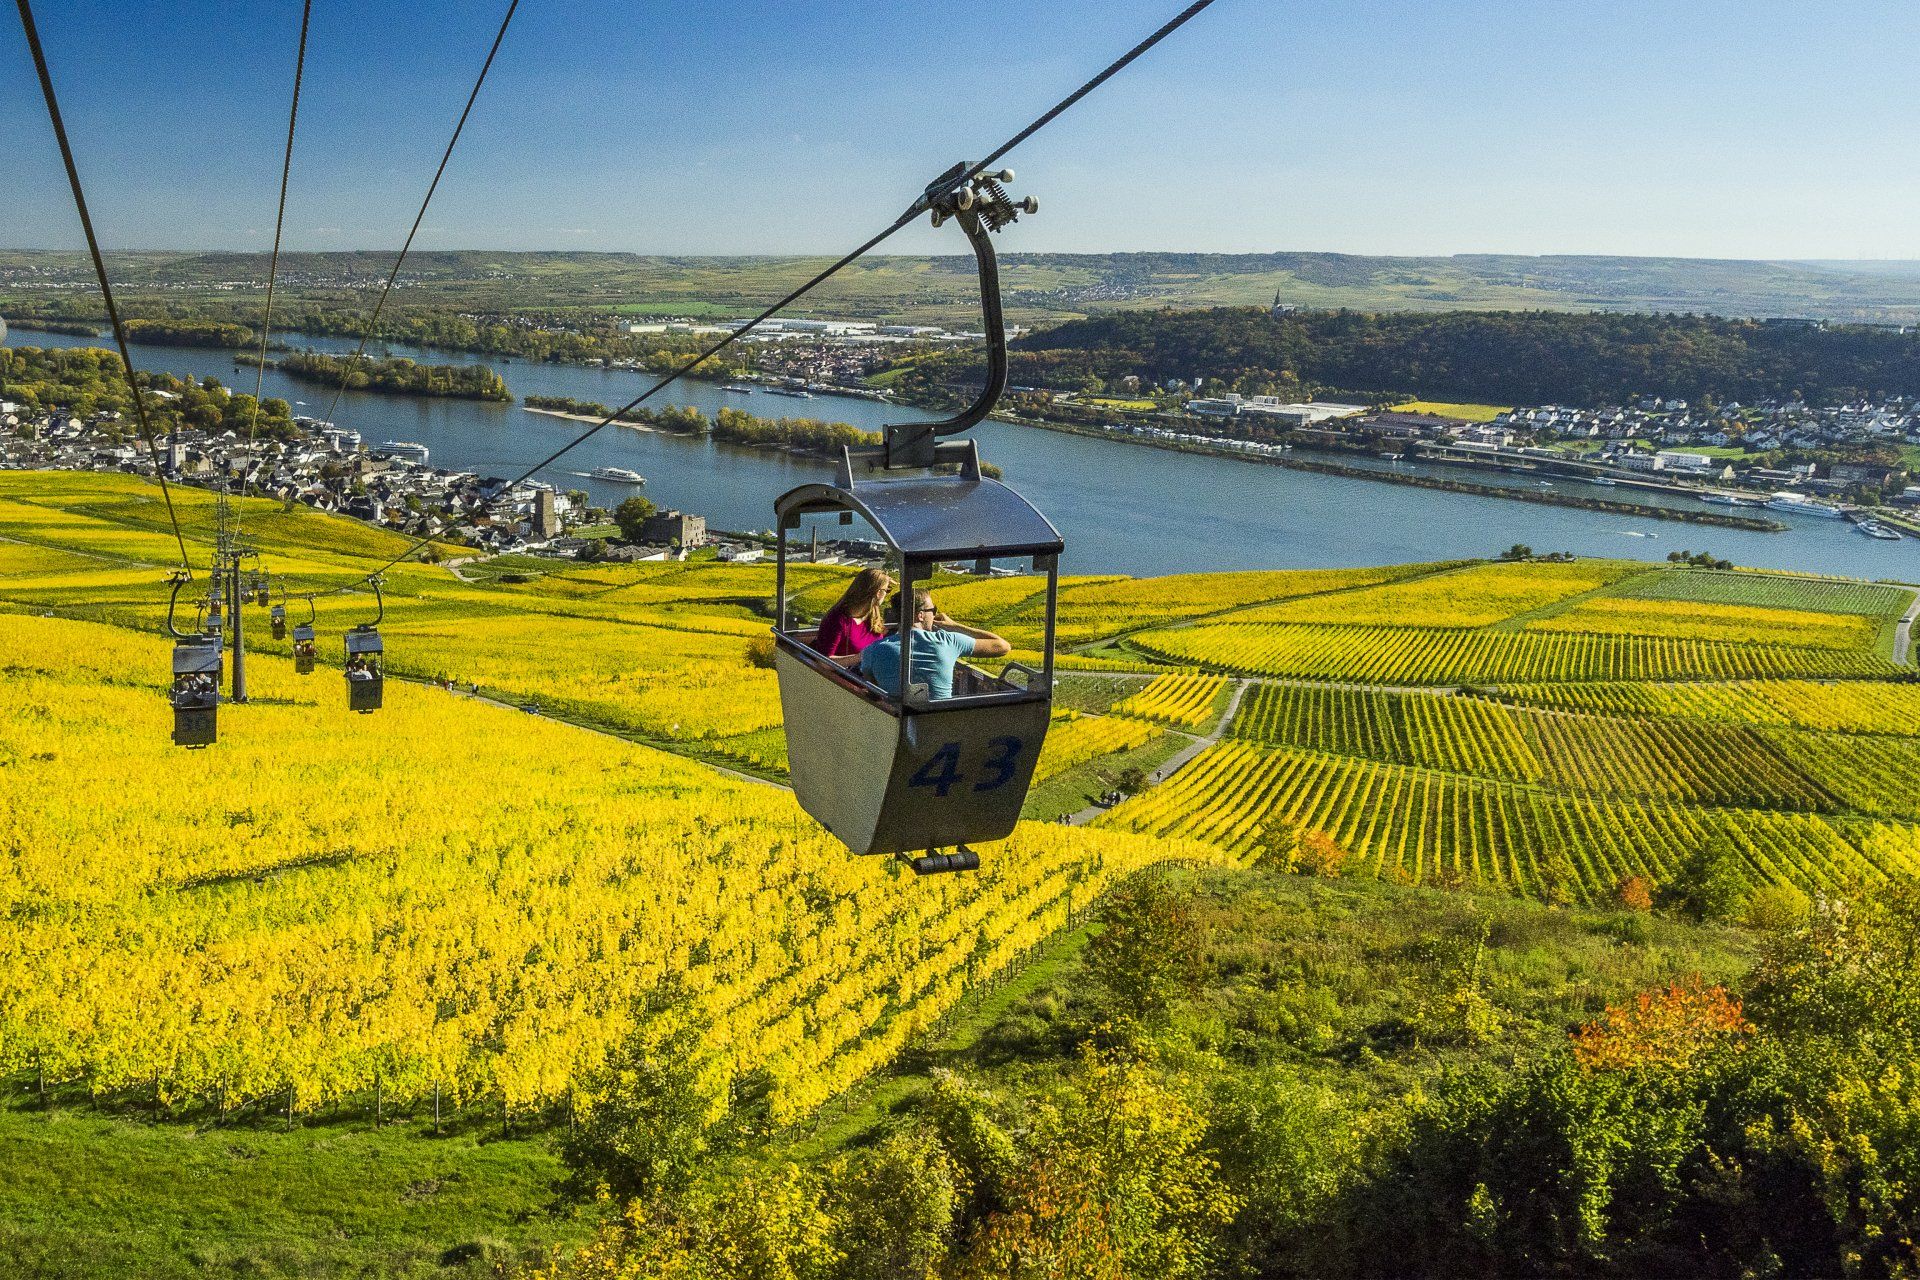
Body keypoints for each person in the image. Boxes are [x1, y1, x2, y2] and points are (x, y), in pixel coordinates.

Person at [858, 588, 1011, 701]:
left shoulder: (872, 651)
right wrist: (955, 626)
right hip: (939, 722)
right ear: (920, 615)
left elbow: (874, 693)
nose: (935, 614)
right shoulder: (948, 641)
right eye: (933, 610)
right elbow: (1003, 646)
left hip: (896, 724)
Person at [811, 567, 890, 662]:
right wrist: (862, 656)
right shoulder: (837, 619)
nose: (887, 594)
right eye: (887, 590)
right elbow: (823, 661)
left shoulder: (873, 613)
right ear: (878, 592)